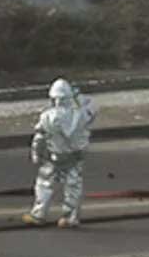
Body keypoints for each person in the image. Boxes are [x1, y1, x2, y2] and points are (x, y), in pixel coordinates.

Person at [23, 78, 96, 228]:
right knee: (73, 186)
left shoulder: (47, 117)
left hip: (53, 157)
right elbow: (93, 106)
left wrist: (36, 154)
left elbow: (39, 138)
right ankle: (70, 217)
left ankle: (38, 214)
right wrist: (77, 96)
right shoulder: (82, 115)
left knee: (44, 184)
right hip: (75, 157)